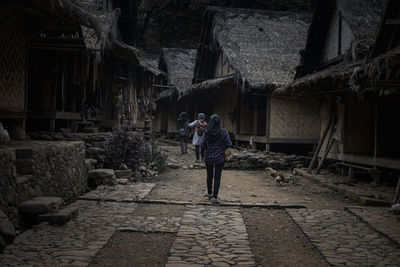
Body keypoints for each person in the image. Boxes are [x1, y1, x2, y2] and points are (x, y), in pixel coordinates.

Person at [200, 114, 232, 204]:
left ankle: (209, 193)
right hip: (220, 158)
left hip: (209, 157)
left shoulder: (206, 132)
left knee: (209, 175)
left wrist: (202, 155)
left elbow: (202, 144)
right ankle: (215, 197)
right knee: (217, 177)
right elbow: (229, 143)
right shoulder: (224, 132)